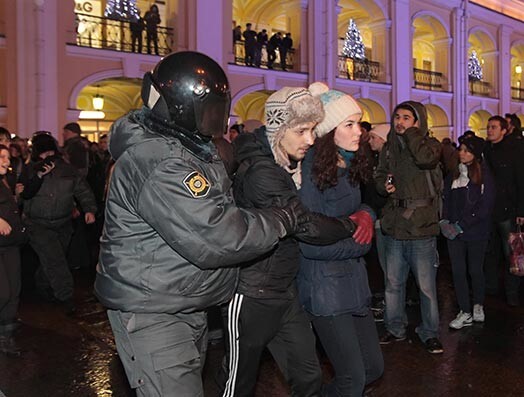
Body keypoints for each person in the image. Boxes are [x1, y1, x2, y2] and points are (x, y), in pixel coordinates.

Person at [94, 51, 312, 397]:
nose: (217, 122)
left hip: (182, 302)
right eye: (210, 111)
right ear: (181, 107)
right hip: (156, 313)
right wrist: (282, 220)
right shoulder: (160, 162)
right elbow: (218, 237)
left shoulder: (185, 149)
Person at [222, 86, 362, 397]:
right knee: (238, 383)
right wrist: (352, 224)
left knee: (308, 376)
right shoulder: (262, 172)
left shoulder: (287, 162)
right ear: (277, 129)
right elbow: (306, 225)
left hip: (285, 289)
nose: (311, 139)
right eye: (301, 130)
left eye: (313, 129)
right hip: (251, 292)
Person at [297, 83, 383, 396]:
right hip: (325, 288)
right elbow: (309, 242)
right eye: (349, 124)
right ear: (327, 131)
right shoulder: (310, 173)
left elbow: (360, 206)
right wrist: (361, 239)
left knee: (373, 368)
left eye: (358, 122)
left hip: (353, 281)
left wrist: (367, 215)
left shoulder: (346, 164)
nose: (358, 130)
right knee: (352, 378)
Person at [375, 101, 444, 354]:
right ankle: (395, 328)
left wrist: (414, 133)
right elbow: (379, 175)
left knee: (426, 287)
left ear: (418, 121)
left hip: (422, 226)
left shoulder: (430, 145)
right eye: (397, 117)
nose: (400, 122)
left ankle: (430, 332)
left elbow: (426, 160)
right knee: (393, 283)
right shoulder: (388, 148)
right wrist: (384, 186)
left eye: (407, 118)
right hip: (395, 224)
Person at [20, 132, 96, 315]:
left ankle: (41, 286)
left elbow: (82, 191)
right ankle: (65, 296)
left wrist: (90, 209)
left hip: (62, 224)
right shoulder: (31, 170)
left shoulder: (66, 170)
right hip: (38, 225)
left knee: (53, 258)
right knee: (56, 260)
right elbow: (23, 194)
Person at [441, 136, 495, 329]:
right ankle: (465, 310)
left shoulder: (484, 175)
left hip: (476, 231)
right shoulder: (453, 175)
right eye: (461, 149)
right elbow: (446, 200)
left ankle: (478, 304)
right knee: (458, 271)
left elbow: (485, 206)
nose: (462, 153)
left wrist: (462, 224)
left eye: (466, 150)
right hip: (454, 233)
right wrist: (445, 221)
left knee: (475, 270)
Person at [483, 115, 524, 306]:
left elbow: (520, 181)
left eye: (493, 127)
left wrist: (520, 210)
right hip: (489, 209)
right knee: (491, 251)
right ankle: (491, 287)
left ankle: (512, 293)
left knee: (512, 252)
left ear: (503, 130)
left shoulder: (514, 151)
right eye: (488, 127)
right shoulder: (486, 150)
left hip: (508, 209)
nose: (489, 130)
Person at [0, 145, 24, 357]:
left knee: (14, 290)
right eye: (1, 157)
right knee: (3, 292)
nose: (6, 161)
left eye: (7, 157)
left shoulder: (5, 181)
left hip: (11, 244)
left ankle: (6, 336)